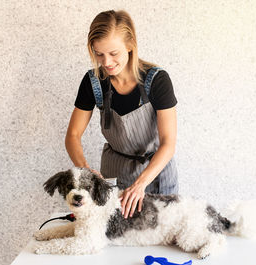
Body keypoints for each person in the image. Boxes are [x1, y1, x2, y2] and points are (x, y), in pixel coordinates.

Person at [65, 10, 178, 219]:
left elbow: (168, 142)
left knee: (160, 235)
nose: (106, 62)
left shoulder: (157, 80)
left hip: (156, 172)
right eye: (99, 54)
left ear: (130, 45)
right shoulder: (93, 82)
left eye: (113, 53)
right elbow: (73, 135)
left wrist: (140, 184)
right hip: (115, 170)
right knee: (114, 235)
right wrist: (86, 171)